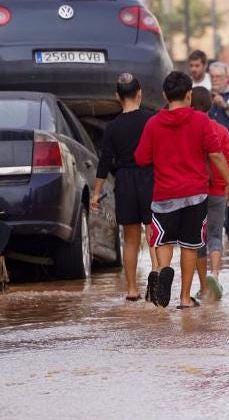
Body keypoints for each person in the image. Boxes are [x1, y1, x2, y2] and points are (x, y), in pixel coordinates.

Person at [134, 71, 229, 309]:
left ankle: (163, 270)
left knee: (164, 242)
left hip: (164, 195)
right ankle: (184, 298)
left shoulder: (153, 123)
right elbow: (216, 155)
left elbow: (141, 158)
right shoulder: (200, 121)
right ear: (189, 94)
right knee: (191, 246)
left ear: (164, 95)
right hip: (195, 195)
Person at [91, 73, 157, 302]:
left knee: (130, 239)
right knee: (153, 234)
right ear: (140, 94)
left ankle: (132, 290)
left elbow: (104, 162)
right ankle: (157, 280)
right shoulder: (151, 120)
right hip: (149, 178)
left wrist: (96, 193)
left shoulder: (112, 127)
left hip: (125, 181)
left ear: (117, 97)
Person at [191, 87, 229, 301]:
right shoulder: (221, 130)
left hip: (196, 189)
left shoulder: (189, 129)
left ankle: (202, 286)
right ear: (210, 105)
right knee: (215, 235)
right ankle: (215, 275)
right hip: (219, 187)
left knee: (198, 239)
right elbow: (225, 160)